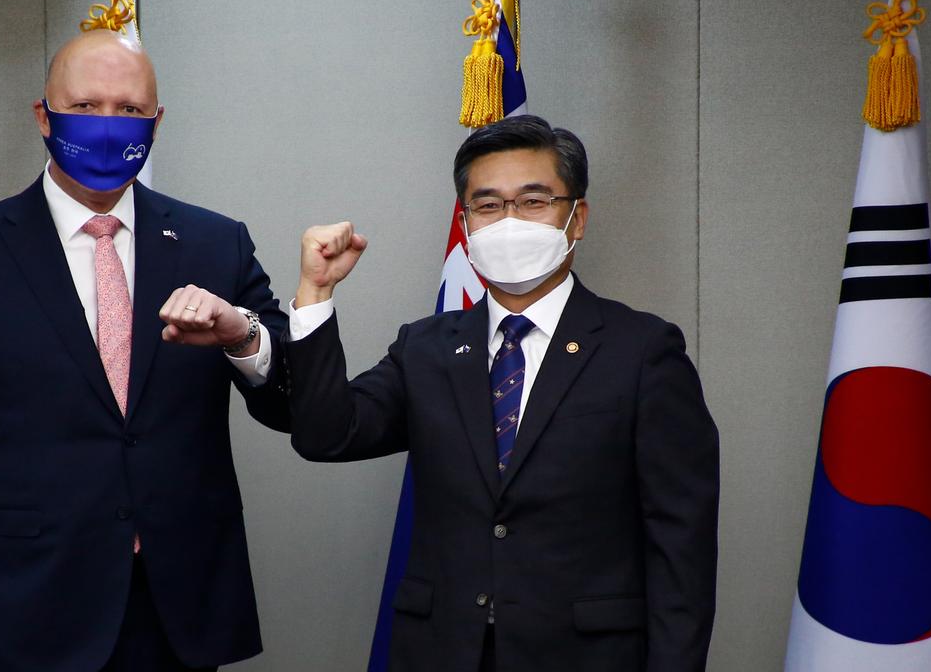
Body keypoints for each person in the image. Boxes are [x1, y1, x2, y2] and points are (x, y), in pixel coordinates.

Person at [0, 30, 289, 672]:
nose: (108, 126)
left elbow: (294, 403)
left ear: (157, 122)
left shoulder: (215, 243)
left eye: (130, 110)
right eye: (85, 106)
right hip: (23, 611)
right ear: (43, 116)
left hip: (177, 615)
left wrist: (240, 333)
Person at [286, 115, 718, 672]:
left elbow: (680, 542)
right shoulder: (426, 348)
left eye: (533, 201)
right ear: (465, 224)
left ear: (576, 218)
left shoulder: (642, 350)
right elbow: (327, 434)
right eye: (488, 206)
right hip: (442, 650)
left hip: (587, 655)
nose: (509, 220)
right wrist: (316, 293)